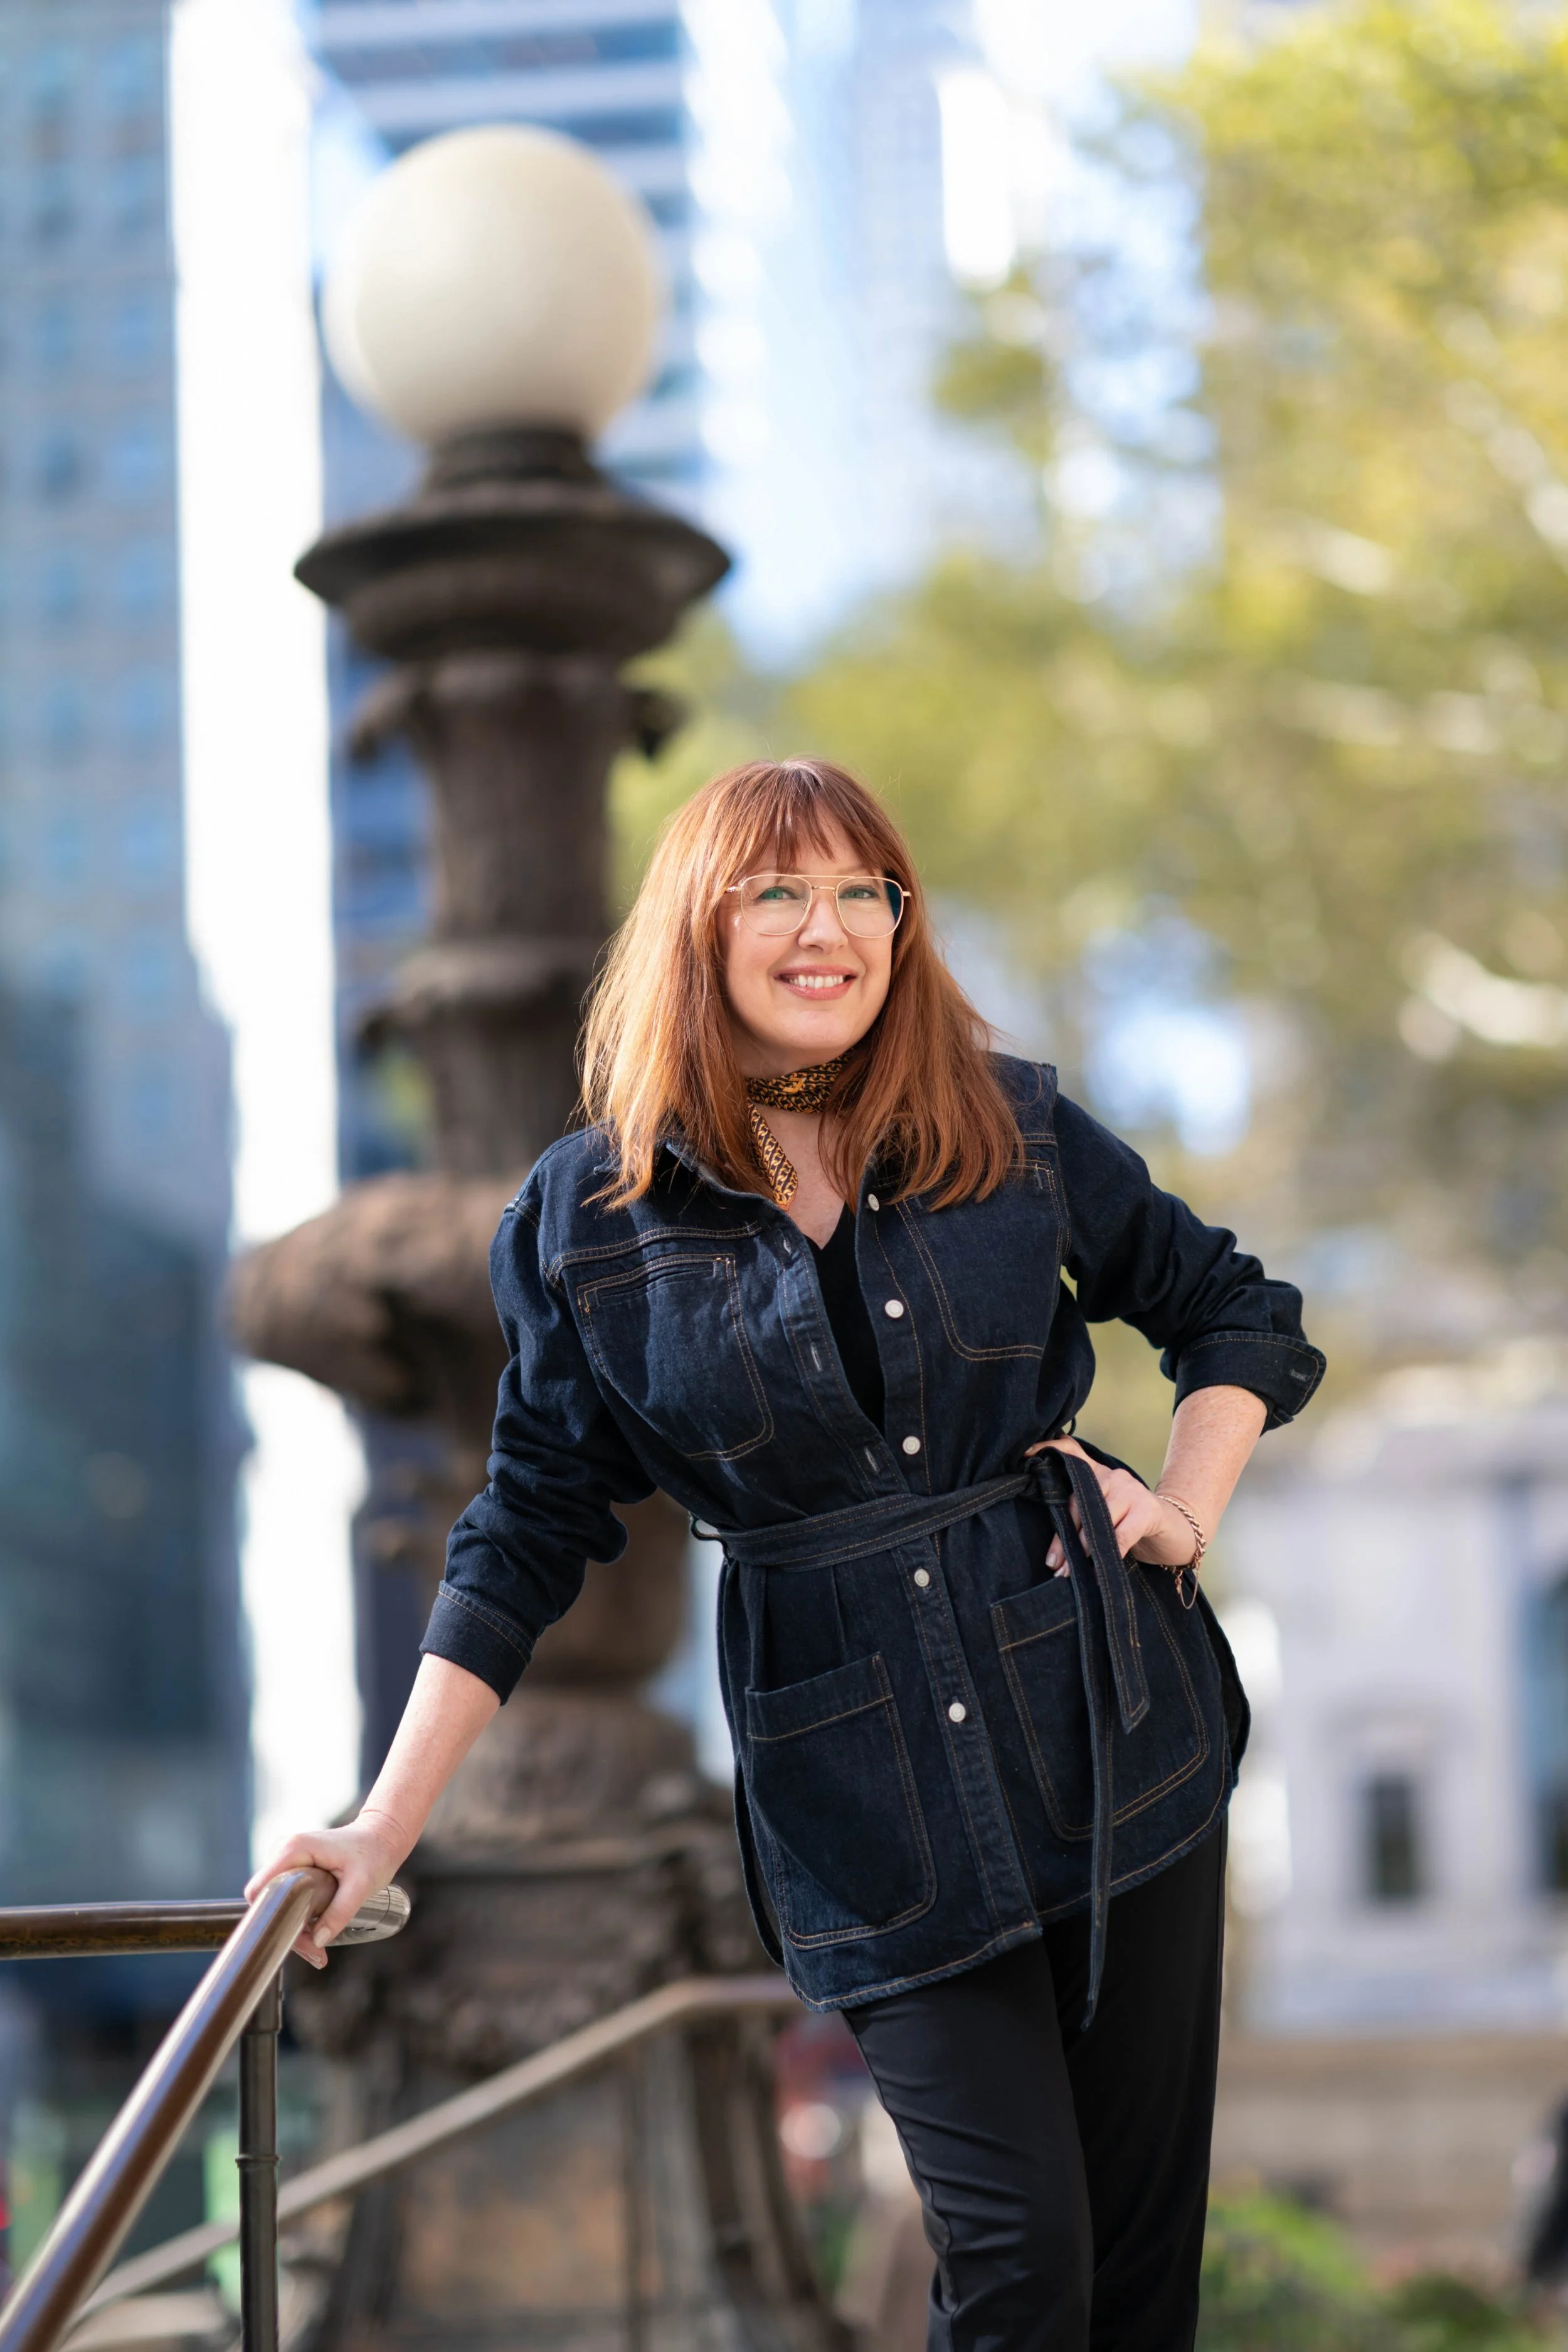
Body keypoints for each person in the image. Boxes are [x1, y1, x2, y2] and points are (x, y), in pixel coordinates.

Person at [252, 758, 1325, 2352]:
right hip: (862, 1803)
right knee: (1022, 2262)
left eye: (859, 894)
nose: (824, 930)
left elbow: (1233, 1311)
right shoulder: (586, 1221)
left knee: (1133, 2272)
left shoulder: (1009, 1123)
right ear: (701, 924)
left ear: (898, 923)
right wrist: (381, 1826)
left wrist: (1179, 1505)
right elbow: (527, 1524)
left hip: (1113, 1731)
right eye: (776, 892)